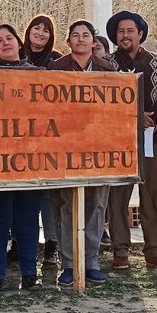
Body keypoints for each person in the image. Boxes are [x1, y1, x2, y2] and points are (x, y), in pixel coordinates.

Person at [104, 11, 157, 271]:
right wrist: (133, 115)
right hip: (117, 140)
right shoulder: (107, 63)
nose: (125, 35)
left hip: (151, 138)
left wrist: (152, 117)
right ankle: (120, 249)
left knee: (152, 193)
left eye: (130, 31)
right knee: (118, 194)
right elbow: (102, 97)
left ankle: (153, 248)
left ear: (140, 34)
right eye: (120, 31)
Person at [46, 20, 118, 287]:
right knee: (66, 205)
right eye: (75, 35)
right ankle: (69, 263)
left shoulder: (108, 69)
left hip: (99, 146)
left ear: (93, 41)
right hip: (64, 146)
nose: (80, 39)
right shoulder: (55, 69)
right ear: (68, 42)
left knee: (97, 204)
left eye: (85, 35)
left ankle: (91, 262)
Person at [0, 24, 44, 295]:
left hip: (31, 158)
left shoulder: (39, 75)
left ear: (19, 43)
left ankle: (30, 274)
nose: (5, 43)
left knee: (28, 219)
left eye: (9, 38)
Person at [22, 15, 63, 264]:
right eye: (36, 28)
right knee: (23, 192)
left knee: (48, 193)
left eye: (46, 30)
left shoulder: (58, 61)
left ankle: (52, 243)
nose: (40, 33)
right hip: (19, 134)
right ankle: (21, 242)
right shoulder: (16, 56)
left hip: (49, 134)